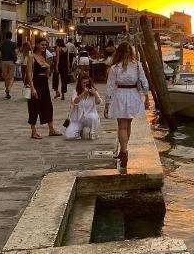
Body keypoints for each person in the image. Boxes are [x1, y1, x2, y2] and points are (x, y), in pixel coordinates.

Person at [104, 41, 150, 171]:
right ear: (132, 52)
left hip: (120, 95)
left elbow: (110, 86)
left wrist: (107, 104)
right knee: (128, 125)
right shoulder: (137, 65)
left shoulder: (115, 68)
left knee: (121, 126)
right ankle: (124, 150)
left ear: (118, 53)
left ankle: (123, 152)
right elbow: (144, 81)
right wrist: (146, 97)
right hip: (133, 95)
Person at [25, 39, 62, 139]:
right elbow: (28, 73)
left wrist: (48, 67)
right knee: (34, 107)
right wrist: (32, 88)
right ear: (37, 44)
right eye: (42, 45)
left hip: (44, 83)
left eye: (45, 45)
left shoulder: (43, 56)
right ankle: (33, 131)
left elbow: (47, 74)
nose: (44, 47)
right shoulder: (31, 56)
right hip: (35, 83)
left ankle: (51, 129)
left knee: (48, 106)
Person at [64, 72, 102, 140]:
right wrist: (83, 93)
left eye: (87, 82)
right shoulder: (75, 91)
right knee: (69, 136)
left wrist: (95, 94)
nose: (85, 84)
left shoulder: (93, 91)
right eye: (83, 83)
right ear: (80, 83)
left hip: (89, 117)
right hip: (78, 119)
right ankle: (79, 131)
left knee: (93, 117)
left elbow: (98, 102)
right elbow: (75, 102)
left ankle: (92, 133)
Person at [0, 32, 18, 99]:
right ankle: (9, 88)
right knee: (11, 77)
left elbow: (0, 54)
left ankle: (7, 93)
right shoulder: (13, 44)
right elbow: (16, 52)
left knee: (6, 77)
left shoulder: (2, 44)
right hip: (11, 62)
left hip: (3, 62)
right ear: (11, 37)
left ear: (5, 36)